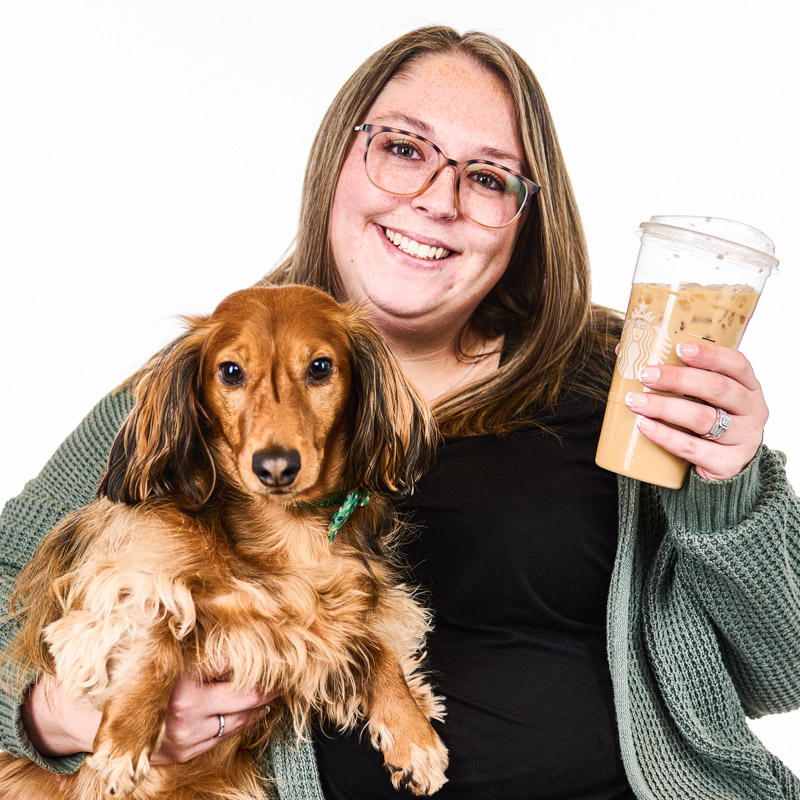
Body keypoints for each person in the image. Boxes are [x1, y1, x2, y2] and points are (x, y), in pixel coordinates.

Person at [2, 24, 800, 800]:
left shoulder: (633, 379)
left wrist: (727, 488)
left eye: (487, 177)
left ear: (527, 216)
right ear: (338, 161)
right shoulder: (197, 395)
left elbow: (783, 667)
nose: (436, 201)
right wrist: (61, 715)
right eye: (405, 149)